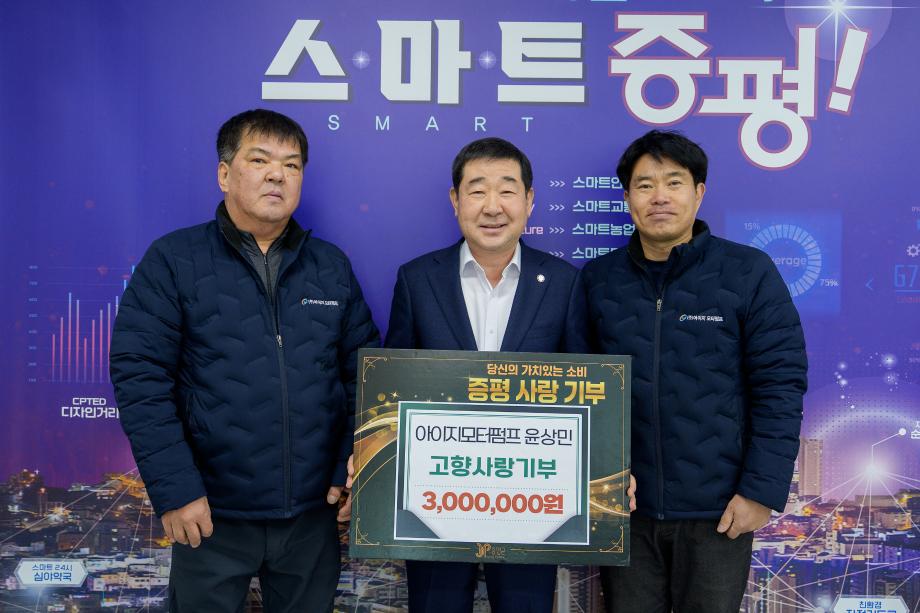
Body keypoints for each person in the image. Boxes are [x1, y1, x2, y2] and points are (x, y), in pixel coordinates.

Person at [110, 109, 380, 612]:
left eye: (292, 165)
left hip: (311, 517)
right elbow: (140, 379)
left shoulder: (331, 267)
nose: (278, 174)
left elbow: (365, 378)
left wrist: (347, 470)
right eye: (260, 160)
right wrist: (176, 490)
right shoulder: (174, 260)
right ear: (224, 173)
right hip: (210, 514)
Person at [384, 137, 634, 613]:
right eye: (477, 190)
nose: (493, 206)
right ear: (455, 200)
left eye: (507, 190)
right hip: (436, 498)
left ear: (529, 200)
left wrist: (608, 469)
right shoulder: (417, 280)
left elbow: (588, 394)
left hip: (531, 502)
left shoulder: (563, 283)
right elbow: (393, 386)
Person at [583, 130, 807, 613]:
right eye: (644, 185)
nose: (659, 197)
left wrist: (760, 491)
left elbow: (780, 386)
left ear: (699, 192)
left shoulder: (748, 272)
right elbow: (579, 392)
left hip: (719, 513)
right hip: (625, 510)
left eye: (674, 182)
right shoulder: (597, 280)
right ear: (627, 198)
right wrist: (598, 476)